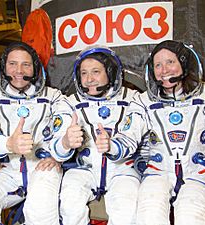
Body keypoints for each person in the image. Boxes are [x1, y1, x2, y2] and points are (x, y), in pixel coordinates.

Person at [98, 40, 205, 225]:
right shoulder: (143, 102)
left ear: (184, 63)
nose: (164, 70)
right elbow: (127, 138)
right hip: (158, 173)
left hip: (198, 174)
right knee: (149, 215)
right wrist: (110, 145)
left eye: (170, 62)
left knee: (192, 217)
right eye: (158, 65)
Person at [0, 41, 62, 225]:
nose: (19, 70)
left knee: (40, 210)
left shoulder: (53, 97)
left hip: (44, 167)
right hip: (9, 172)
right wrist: (9, 144)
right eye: (12, 64)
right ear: (3, 67)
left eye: (26, 64)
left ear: (35, 69)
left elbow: (64, 130)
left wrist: (57, 155)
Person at [48, 46, 140, 225]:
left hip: (122, 169)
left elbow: (136, 136)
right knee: (69, 203)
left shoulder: (134, 99)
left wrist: (113, 146)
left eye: (96, 72)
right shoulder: (69, 103)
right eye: (84, 73)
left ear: (111, 72)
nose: (89, 79)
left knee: (126, 210)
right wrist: (66, 142)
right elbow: (56, 146)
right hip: (84, 169)